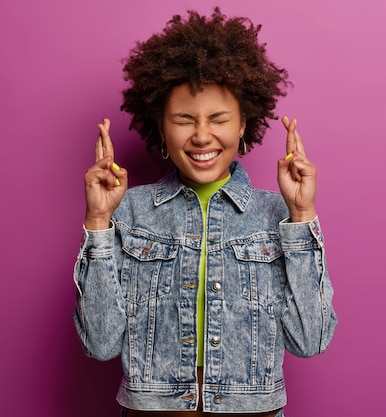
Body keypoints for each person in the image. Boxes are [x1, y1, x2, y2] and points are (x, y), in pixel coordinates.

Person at [73, 8, 337, 417]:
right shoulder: (130, 211)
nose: (201, 135)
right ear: (162, 127)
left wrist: (302, 215)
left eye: (218, 119)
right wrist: (98, 224)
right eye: (183, 120)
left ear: (244, 123)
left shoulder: (276, 215)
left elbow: (310, 339)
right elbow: (100, 343)